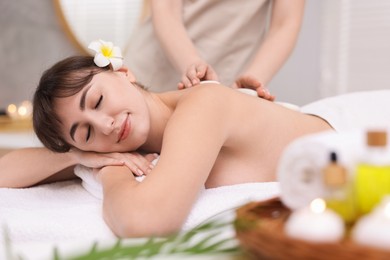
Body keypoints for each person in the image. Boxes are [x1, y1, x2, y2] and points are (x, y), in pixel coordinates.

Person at [0, 55, 333, 238]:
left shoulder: (202, 104)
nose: (105, 124)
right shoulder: (146, 142)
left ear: (123, 73)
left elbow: (143, 222)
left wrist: (109, 172)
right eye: (85, 133)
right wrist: (78, 156)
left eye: (98, 100)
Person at [125, 0, 305, 100]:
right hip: (155, 71)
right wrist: (192, 66)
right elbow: (166, 8)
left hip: (228, 82)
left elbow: (285, 23)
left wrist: (251, 85)